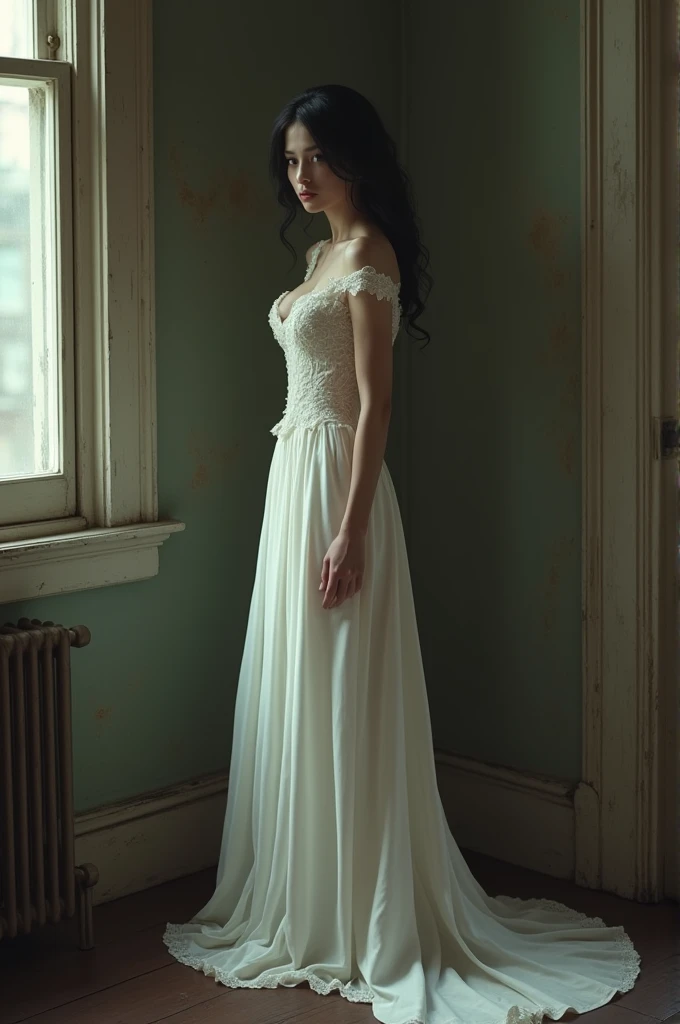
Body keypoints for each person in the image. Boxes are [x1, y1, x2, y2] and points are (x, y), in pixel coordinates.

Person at [163, 84, 641, 1024]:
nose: (299, 176)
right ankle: (303, 895)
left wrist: (351, 527)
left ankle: (360, 910)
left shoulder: (369, 253)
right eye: (290, 159)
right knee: (298, 680)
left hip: (339, 481)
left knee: (344, 681)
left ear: (355, 157)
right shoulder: (315, 252)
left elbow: (376, 403)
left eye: (316, 157)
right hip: (292, 477)